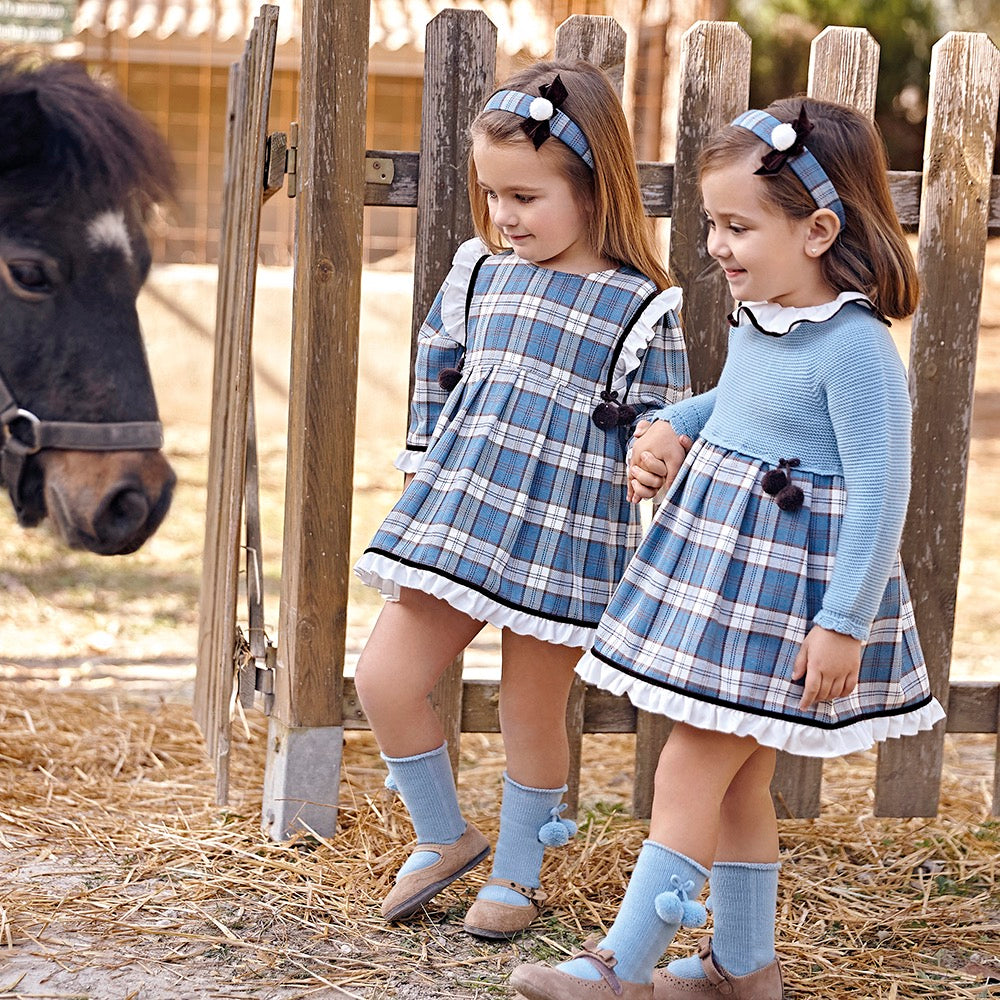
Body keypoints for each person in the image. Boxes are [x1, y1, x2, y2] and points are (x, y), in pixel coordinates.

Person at [510, 97, 946, 1000]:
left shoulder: (857, 347)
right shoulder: (766, 317)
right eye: (714, 222)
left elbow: (882, 491)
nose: (717, 244)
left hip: (788, 603)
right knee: (740, 786)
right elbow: (738, 405)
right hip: (727, 583)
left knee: (690, 767)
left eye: (739, 226)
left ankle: (619, 967)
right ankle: (744, 969)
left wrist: (843, 622)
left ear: (819, 229)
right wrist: (674, 422)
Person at [353, 60, 690, 941]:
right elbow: (437, 371)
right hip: (461, 511)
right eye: (493, 193)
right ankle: (442, 834)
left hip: (569, 529)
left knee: (531, 710)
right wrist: (421, 467)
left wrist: (658, 457)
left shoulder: (642, 305)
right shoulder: (477, 274)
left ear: (593, 187)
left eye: (527, 196)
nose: (504, 214)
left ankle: (517, 873)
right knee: (384, 678)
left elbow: (666, 419)